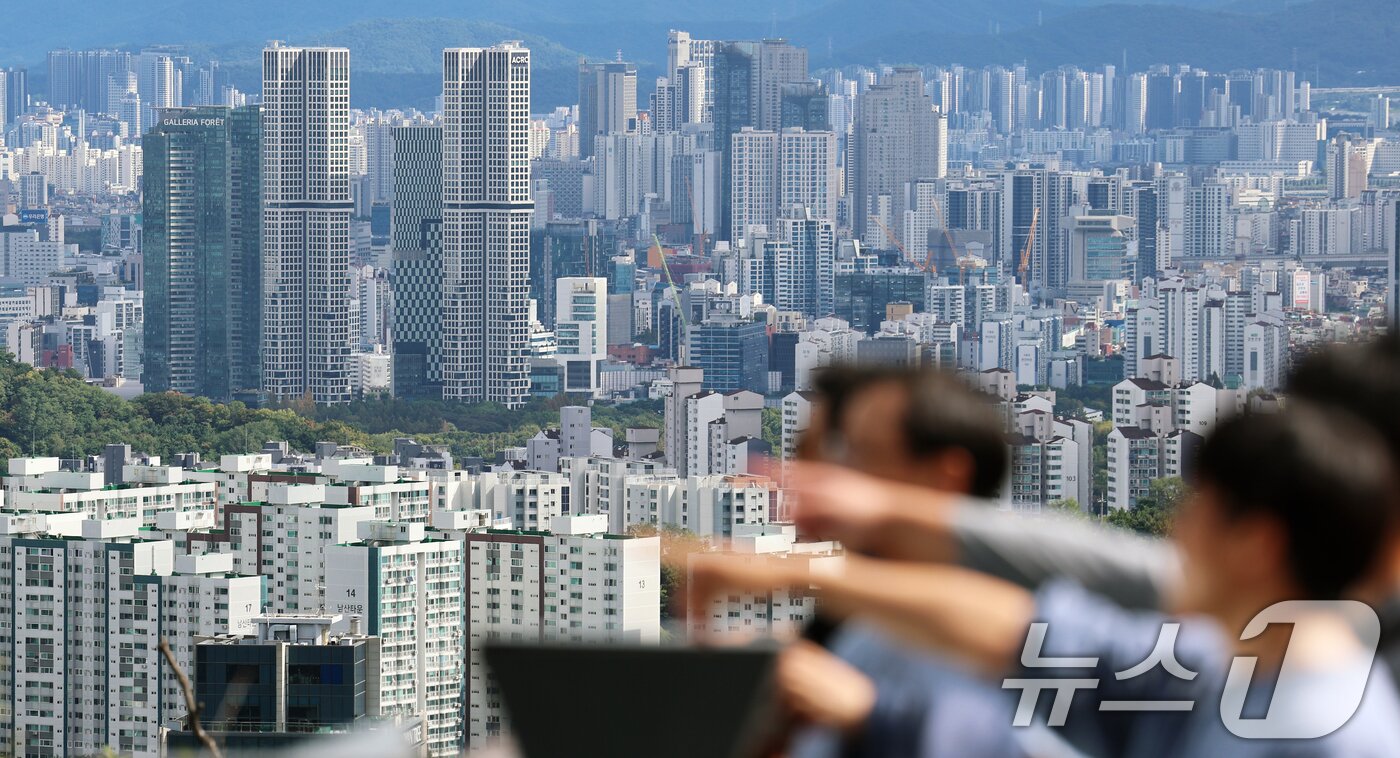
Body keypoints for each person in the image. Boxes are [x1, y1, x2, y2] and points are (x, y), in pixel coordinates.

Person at [696, 406, 1400, 755]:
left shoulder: (1321, 734)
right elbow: (1029, 634)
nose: (1176, 533)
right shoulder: (1236, 665)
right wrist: (793, 573)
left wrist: (874, 715)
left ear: (1257, 543)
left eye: (1198, 510)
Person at [765, 366, 1015, 756]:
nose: (827, 483)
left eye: (861, 454)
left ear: (945, 475)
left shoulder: (990, 639)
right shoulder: (861, 634)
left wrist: (870, 718)